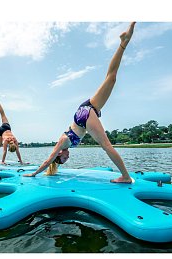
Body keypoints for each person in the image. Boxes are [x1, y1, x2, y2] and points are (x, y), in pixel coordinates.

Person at [24, 22, 136, 183]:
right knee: (111, 79)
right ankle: (123, 43)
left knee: (106, 145)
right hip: (84, 111)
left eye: (64, 159)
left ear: (60, 155)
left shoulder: (61, 143)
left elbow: (48, 160)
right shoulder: (64, 144)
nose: (67, 158)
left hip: (83, 117)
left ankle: (125, 176)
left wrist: (33, 174)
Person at [0, 96, 23, 164]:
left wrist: (21, 161)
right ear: (9, 147)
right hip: (0, 131)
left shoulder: (15, 140)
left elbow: (7, 151)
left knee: (2, 114)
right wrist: (3, 162)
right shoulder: (6, 141)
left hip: (6, 127)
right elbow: (6, 151)